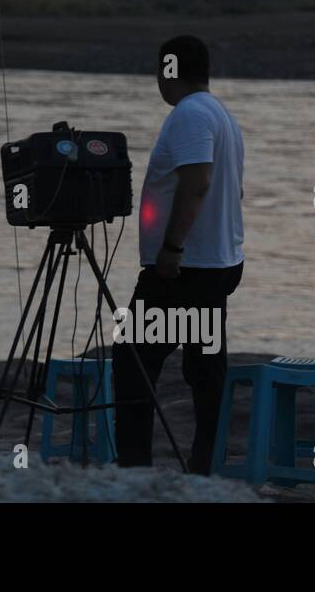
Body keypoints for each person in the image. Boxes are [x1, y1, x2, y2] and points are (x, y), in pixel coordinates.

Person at [112, 35, 244, 475]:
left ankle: (134, 469)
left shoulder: (188, 116)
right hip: (219, 264)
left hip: (184, 269)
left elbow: (199, 182)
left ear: (170, 70)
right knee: (205, 370)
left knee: (134, 361)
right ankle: (206, 466)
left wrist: (171, 247)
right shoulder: (221, 114)